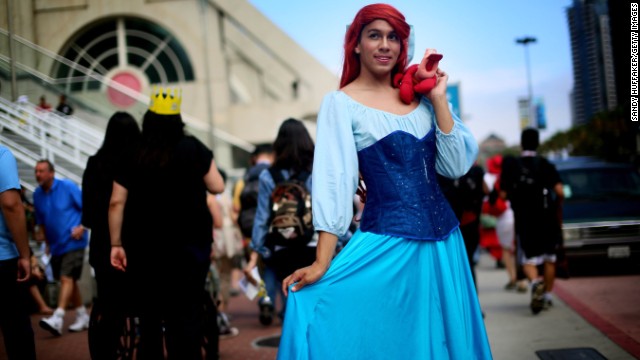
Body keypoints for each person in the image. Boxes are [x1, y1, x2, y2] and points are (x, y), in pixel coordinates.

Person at [277, 5, 492, 359]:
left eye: (394, 37)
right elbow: (334, 180)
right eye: (374, 35)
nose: (385, 45)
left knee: (443, 343)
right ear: (356, 44)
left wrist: (438, 98)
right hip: (389, 245)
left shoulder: (423, 102)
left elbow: (454, 166)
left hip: (445, 246)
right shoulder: (341, 103)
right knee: (390, 343)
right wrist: (322, 261)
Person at [109, 88, 225, 359]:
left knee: (149, 316)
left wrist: (116, 243)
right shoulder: (193, 147)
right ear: (177, 119)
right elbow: (217, 186)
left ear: (148, 117)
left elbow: (116, 202)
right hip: (190, 249)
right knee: (187, 314)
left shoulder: (132, 152)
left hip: (144, 249)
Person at [243, 118, 316, 327]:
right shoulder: (314, 171)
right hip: (311, 245)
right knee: (310, 304)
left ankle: (290, 340)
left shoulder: (268, 176)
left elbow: (262, 218)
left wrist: (254, 254)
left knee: (289, 300)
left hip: (281, 246)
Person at [81, 111, 141, 358]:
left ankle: (107, 347)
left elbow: (89, 213)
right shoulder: (140, 162)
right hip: (137, 242)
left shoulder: (95, 163)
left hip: (103, 244)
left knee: (109, 302)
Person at [500, 128, 564, 315]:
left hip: (525, 218)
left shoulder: (513, 165)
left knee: (528, 259)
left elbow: (503, 194)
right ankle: (548, 295)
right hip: (547, 218)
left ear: (521, 143)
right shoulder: (545, 164)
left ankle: (535, 283)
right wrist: (557, 205)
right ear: (537, 143)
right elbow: (559, 191)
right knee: (549, 258)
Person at [34, 159, 90, 336]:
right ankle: (82, 315)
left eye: (42, 171)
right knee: (69, 280)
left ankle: (58, 317)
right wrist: (47, 243)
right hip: (56, 245)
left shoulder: (67, 186)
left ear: (51, 173)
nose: (38, 174)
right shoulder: (37, 194)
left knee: (66, 277)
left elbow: (86, 207)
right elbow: (41, 221)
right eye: (36, 171)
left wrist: (82, 227)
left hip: (74, 241)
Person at [0, 145, 36, 360]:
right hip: (2, 257)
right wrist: (25, 254)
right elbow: (11, 203)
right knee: (16, 332)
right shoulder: (2, 154)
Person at [438, 163, 487, 286]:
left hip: (450, 224)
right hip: (471, 221)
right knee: (468, 261)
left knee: (452, 262)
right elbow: (486, 190)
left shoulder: (442, 170)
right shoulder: (475, 170)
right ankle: (471, 296)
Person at [482, 154, 522, 292]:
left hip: (504, 218)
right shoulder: (520, 178)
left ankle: (513, 277)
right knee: (518, 249)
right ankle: (523, 280)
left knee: (505, 250)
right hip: (519, 215)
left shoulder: (499, 181)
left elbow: (490, 196)